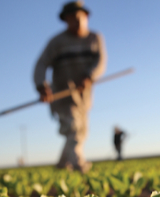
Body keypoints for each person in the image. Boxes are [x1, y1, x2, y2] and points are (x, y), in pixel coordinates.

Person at [33, 2, 106, 173]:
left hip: (84, 96)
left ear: (86, 17)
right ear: (66, 20)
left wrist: (89, 76)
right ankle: (78, 165)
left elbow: (100, 62)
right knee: (73, 128)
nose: (77, 21)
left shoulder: (95, 38)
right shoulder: (57, 42)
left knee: (81, 130)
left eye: (80, 17)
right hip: (62, 94)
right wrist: (41, 86)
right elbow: (41, 64)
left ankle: (61, 165)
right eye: (72, 18)